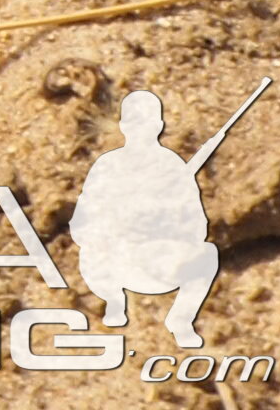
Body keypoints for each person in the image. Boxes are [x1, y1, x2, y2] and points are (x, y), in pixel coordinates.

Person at [71, 89, 223, 348]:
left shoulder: (172, 165)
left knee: (207, 254)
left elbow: (198, 224)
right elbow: (82, 222)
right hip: (116, 256)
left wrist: (165, 219)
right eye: (134, 122)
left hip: (162, 257)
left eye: (148, 121)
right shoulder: (108, 165)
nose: (141, 129)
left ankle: (181, 319)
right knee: (89, 253)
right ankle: (114, 303)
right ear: (123, 125)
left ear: (159, 125)